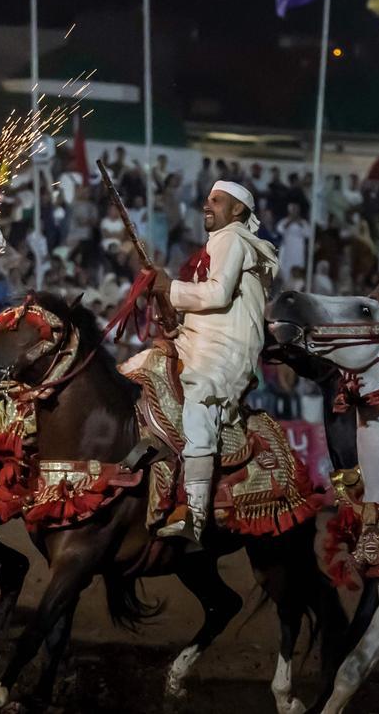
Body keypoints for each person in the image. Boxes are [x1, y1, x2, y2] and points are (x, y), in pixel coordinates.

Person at [147, 180, 279, 544]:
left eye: (216, 201)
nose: (207, 206)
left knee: (199, 399)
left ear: (237, 211)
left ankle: (197, 515)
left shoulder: (233, 238)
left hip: (227, 349)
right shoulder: (219, 241)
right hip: (205, 341)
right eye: (207, 200)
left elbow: (219, 294)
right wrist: (177, 323)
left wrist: (169, 288)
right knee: (147, 369)